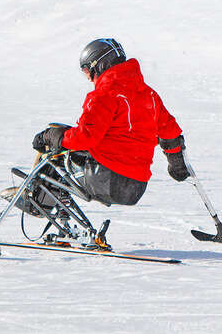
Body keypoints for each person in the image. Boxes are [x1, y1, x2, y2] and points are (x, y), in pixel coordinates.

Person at [32, 38, 190, 207]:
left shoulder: (105, 94)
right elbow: (170, 133)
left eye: (87, 71)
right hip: (136, 187)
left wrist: (51, 136)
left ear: (99, 65)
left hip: (106, 179)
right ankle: (61, 212)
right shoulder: (149, 95)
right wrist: (177, 165)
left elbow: (85, 137)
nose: (89, 78)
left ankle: (35, 201)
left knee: (56, 145)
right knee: (66, 142)